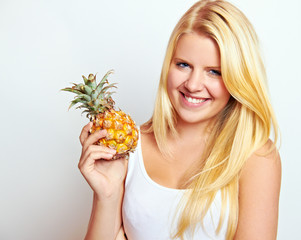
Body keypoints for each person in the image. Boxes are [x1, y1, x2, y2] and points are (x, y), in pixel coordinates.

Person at [78, 0, 281, 239]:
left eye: (214, 71)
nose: (193, 85)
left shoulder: (256, 157)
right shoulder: (131, 148)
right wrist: (107, 195)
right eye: (183, 65)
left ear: (239, 79)